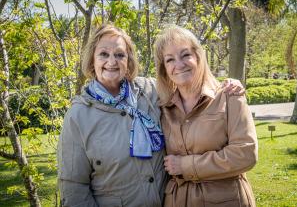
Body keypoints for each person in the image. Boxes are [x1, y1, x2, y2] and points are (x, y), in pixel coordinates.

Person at [57, 24, 245, 207]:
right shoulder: (78, 116)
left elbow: (189, 84)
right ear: (92, 60)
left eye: (120, 55)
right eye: (103, 54)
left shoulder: (151, 91)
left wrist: (226, 85)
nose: (112, 62)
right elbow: (73, 187)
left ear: (128, 61)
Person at [154, 25, 258, 207]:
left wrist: (185, 166)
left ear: (198, 57)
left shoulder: (228, 96)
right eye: (170, 60)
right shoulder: (162, 107)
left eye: (185, 55)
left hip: (225, 201)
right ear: (164, 68)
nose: (179, 65)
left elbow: (245, 154)